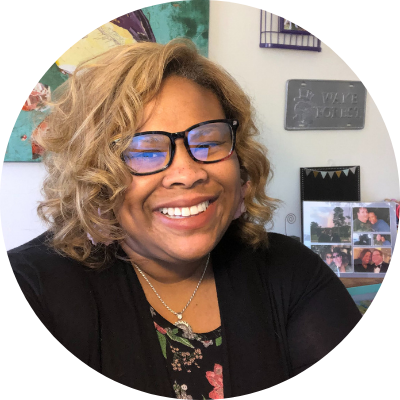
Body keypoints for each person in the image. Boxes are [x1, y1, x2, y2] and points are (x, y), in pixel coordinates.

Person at [7, 39, 361, 398]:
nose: (188, 173)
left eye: (208, 141)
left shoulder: (291, 271)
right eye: (144, 150)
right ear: (94, 175)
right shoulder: (27, 292)